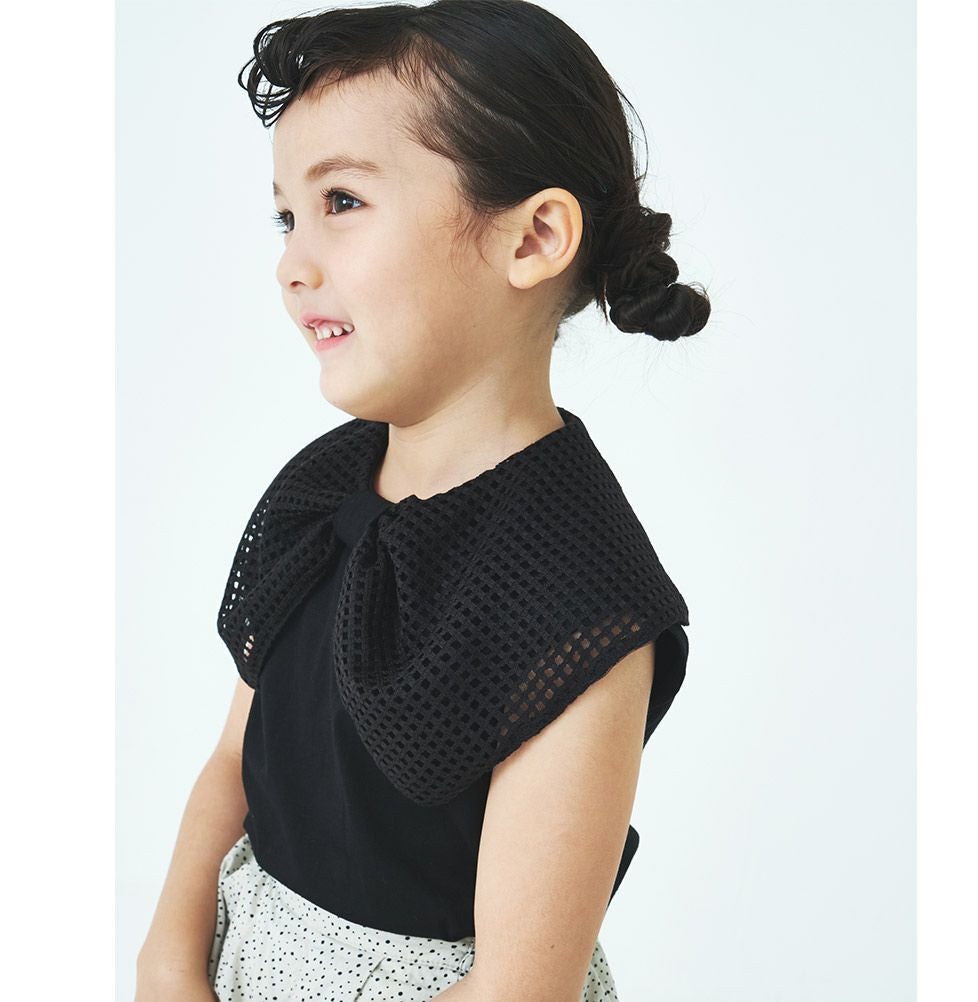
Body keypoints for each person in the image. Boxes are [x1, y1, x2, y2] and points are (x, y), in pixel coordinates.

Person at [136, 2, 710, 1000]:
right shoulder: (322, 489)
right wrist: (168, 962)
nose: (293, 264)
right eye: (287, 217)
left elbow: (518, 987)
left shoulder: (581, 597)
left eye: (342, 201)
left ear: (533, 237)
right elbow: (234, 760)